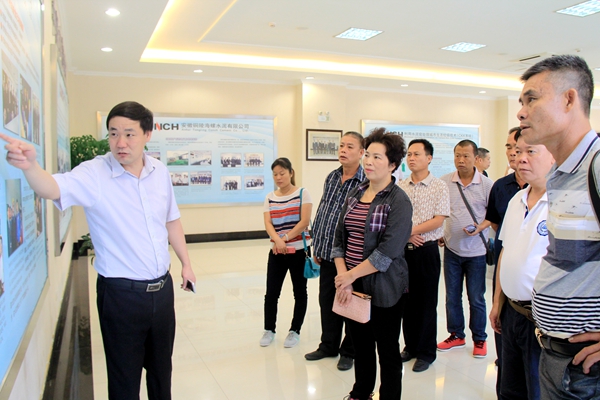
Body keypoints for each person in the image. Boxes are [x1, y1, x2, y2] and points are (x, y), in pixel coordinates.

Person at [1, 101, 196, 400]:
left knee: (161, 372)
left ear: (147, 134)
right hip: (121, 296)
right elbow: (52, 188)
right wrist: (31, 167)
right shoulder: (94, 173)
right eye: (113, 133)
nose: (120, 143)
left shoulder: (159, 172)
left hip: (162, 290)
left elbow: (171, 220)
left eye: (129, 134)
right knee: (124, 380)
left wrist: (186, 264)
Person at [517, 54, 600, 399]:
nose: (521, 113)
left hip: (586, 369)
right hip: (555, 356)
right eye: (521, 102)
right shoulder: (560, 174)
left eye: (531, 99)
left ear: (569, 100)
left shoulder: (596, 166)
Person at [332, 128, 412, 400]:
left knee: (387, 350)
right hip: (353, 284)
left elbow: (386, 253)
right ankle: (361, 391)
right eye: (367, 155)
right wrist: (344, 277)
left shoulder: (398, 201)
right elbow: (339, 239)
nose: (368, 161)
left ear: (392, 165)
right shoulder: (355, 193)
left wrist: (350, 276)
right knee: (361, 344)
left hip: (385, 286)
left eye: (377, 157)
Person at [489, 131, 554, 399]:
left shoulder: (562, 202)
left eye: (530, 152)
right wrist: (497, 302)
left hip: (542, 319)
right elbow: (506, 252)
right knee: (509, 388)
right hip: (511, 312)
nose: (520, 158)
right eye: (517, 151)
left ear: (553, 155)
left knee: (536, 390)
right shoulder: (517, 200)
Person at [305, 131, 365, 371]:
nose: (343, 150)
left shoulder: (365, 182)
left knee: (349, 301)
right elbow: (324, 211)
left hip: (351, 255)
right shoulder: (332, 176)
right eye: (341, 145)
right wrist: (317, 245)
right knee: (327, 300)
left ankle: (349, 350)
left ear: (361, 152)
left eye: (350, 146)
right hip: (327, 251)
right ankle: (328, 345)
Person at [438, 140, 493, 358]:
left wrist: (480, 227)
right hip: (452, 249)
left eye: (466, 156)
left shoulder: (487, 185)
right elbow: (440, 212)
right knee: (452, 296)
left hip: (477, 251)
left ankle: (479, 338)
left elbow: (493, 215)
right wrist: (440, 233)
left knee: (476, 298)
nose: (461, 160)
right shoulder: (445, 182)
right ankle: (456, 335)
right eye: (457, 155)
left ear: (476, 158)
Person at [399, 139, 450, 372]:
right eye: (409, 154)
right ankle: (410, 347)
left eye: (416, 154)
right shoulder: (401, 186)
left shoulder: (439, 187)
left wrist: (411, 230)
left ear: (429, 158)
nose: (411, 158)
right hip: (404, 251)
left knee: (427, 303)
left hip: (427, 251)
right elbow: (395, 218)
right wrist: (407, 235)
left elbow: (439, 219)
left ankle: (426, 353)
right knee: (406, 302)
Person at [261, 157, 312, 348]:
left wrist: (285, 238)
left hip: (298, 251)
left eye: (282, 173)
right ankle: (269, 329)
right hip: (277, 252)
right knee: (271, 293)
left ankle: (295, 330)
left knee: (299, 292)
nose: (278, 177)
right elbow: (268, 223)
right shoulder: (270, 197)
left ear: (291, 173)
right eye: (275, 174)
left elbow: (304, 221)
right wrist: (278, 240)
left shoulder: (302, 193)